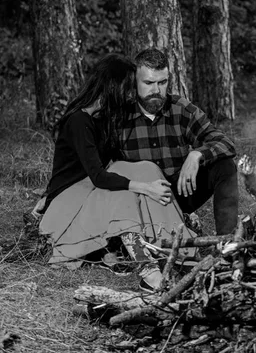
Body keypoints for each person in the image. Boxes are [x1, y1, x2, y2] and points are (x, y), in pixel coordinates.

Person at [35, 53, 195, 291]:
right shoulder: (78, 121)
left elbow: (118, 166)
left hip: (89, 196)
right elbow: (99, 176)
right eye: (128, 87)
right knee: (122, 190)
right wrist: (144, 188)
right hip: (65, 210)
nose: (131, 94)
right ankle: (147, 269)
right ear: (112, 87)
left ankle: (175, 242)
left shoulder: (106, 119)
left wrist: (149, 182)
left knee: (146, 168)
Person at [120, 48, 239, 235]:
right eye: (149, 83)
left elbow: (226, 143)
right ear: (134, 82)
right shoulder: (119, 117)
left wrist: (196, 154)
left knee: (225, 166)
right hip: (142, 198)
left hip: (181, 192)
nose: (156, 91)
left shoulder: (180, 109)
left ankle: (227, 242)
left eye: (162, 82)